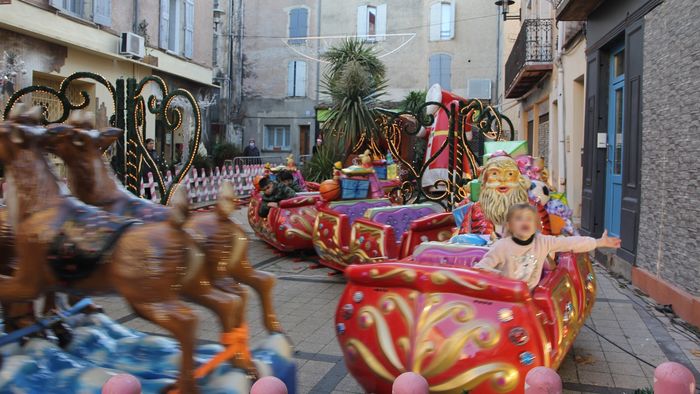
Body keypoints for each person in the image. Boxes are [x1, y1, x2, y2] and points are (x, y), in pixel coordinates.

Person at [474, 203, 621, 290]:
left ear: (536, 225)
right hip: (505, 294)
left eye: (529, 219)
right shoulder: (502, 246)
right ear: (510, 225)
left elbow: (569, 243)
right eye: (519, 219)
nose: (524, 222)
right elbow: (482, 268)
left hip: (528, 295)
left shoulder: (543, 242)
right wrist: (496, 277)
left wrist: (598, 242)